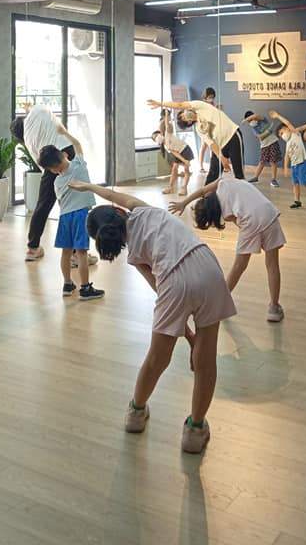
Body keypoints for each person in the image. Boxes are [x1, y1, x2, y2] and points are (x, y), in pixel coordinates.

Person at [69, 180, 236, 454]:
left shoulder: (135, 255)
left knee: (157, 358)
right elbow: (112, 194)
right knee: (206, 360)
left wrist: (188, 335)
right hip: (207, 267)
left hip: (172, 281)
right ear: (119, 212)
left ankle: (136, 413)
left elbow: (163, 290)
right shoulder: (143, 210)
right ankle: (195, 430)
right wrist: (88, 187)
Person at [169, 177, 286, 322]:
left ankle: (219, 302)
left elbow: (245, 223)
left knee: (238, 266)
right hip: (268, 212)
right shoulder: (223, 182)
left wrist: (254, 235)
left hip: (250, 220)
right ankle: (274, 308)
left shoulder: (226, 213)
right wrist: (184, 203)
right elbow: (202, 190)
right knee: (272, 264)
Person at [11, 105, 97, 266]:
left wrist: (54, 177)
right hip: (66, 152)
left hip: (51, 162)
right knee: (76, 205)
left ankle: (33, 248)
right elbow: (43, 111)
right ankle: (76, 254)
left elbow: (42, 164)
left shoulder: (28, 140)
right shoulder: (37, 111)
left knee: (43, 205)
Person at [38, 131, 105, 301]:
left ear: (53, 169)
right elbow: (78, 144)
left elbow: (61, 202)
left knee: (66, 253)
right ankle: (85, 288)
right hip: (81, 214)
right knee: (81, 253)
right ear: (65, 155)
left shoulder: (57, 182)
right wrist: (63, 132)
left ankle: (67, 284)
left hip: (64, 217)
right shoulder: (79, 165)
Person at [148, 96, 244, 185]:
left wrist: (161, 103)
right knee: (212, 175)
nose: (185, 114)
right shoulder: (199, 129)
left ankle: (245, 193)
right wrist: (221, 158)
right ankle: (206, 196)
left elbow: (179, 105)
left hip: (232, 135)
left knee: (238, 173)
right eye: (184, 118)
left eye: (183, 113)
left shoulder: (200, 106)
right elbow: (211, 144)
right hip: (219, 146)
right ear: (189, 122)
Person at [269, 110, 306, 211]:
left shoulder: (295, 133)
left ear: (287, 128)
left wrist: (277, 116)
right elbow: (287, 156)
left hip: (302, 163)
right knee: (295, 184)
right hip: (294, 166)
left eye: (282, 133)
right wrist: (286, 168)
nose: (282, 136)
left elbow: (288, 122)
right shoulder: (288, 143)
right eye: (280, 136)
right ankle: (297, 201)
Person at [152, 109, 193, 196]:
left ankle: (184, 188)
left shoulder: (167, 133)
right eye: (156, 138)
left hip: (185, 149)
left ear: (160, 134)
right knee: (174, 169)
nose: (157, 138)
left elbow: (167, 124)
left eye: (157, 136)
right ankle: (170, 187)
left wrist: (167, 114)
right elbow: (175, 153)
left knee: (186, 170)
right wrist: (184, 161)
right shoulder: (166, 146)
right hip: (179, 152)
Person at [244, 110, 281, 188]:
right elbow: (260, 137)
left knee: (273, 161)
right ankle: (256, 177)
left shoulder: (263, 120)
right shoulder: (253, 128)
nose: (250, 122)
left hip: (273, 142)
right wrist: (268, 131)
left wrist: (246, 119)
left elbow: (256, 115)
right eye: (249, 121)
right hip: (264, 145)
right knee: (262, 162)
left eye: (251, 120)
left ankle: (273, 180)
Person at [197, 87, 217, 172]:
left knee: (212, 147)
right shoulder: (202, 104)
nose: (211, 99)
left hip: (211, 127)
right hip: (204, 128)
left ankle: (212, 166)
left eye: (212, 97)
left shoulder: (213, 104)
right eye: (210, 97)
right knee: (204, 146)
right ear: (206, 96)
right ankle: (201, 167)